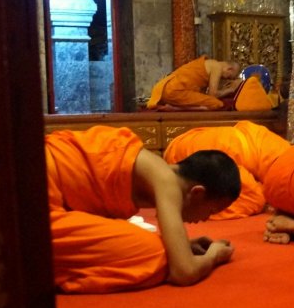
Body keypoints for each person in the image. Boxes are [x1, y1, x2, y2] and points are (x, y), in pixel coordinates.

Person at [46, 125, 241, 293]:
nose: (205, 219)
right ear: (197, 193)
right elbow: (184, 272)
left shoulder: (153, 173)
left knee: (141, 244)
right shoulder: (167, 180)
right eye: (212, 210)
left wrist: (181, 245)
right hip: (34, 198)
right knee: (154, 252)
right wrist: (213, 256)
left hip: (44, 196)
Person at [164, 121, 291, 220]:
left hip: (181, 146)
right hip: (192, 153)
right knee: (254, 200)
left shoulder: (277, 154)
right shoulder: (281, 166)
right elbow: (254, 198)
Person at [148, 55, 241, 110]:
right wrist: (231, 90)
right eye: (229, 77)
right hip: (175, 90)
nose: (226, 79)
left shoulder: (208, 63)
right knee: (216, 104)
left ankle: (174, 105)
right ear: (230, 69)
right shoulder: (217, 67)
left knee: (205, 102)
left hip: (163, 88)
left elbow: (203, 93)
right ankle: (177, 108)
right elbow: (213, 94)